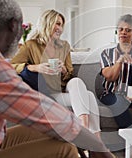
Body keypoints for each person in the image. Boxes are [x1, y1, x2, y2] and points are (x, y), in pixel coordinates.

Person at [0, 0, 113, 157]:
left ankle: (89, 135)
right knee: (66, 148)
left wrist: (63, 71)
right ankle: (91, 137)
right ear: (13, 25)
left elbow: (69, 74)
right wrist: (94, 145)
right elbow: (36, 108)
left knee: (65, 134)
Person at [10, 9, 102, 139]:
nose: (60, 28)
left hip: (62, 88)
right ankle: (95, 141)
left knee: (76, 81)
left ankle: (84, 130)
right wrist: (36, 67)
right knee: (89, 96)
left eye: (61, 25)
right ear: (47, 23)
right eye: (57, 24)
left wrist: (64, 70)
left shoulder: (64, 46)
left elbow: (70, 73)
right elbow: (11, 66)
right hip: (47, 93)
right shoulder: (31, 45)